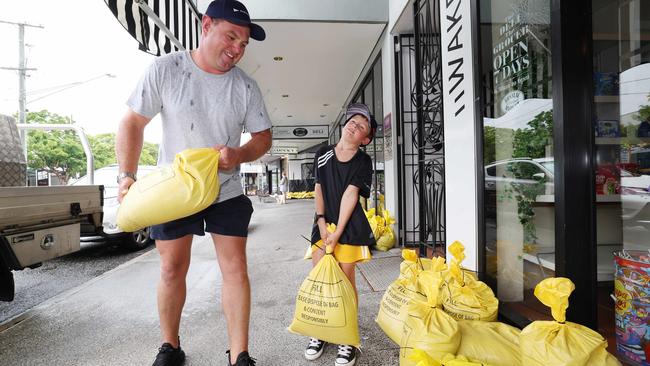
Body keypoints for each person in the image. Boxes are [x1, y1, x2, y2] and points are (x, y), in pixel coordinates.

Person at [115, 1, 271, 365]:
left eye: (244, 43)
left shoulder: (246, 86)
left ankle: (240, 354)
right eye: (231, 36)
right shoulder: (166, 69)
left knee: (235, 269)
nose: (237, 49)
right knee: (171, 268)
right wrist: (126, 176)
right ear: (206, 25)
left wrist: (239, 154)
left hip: (225, 188)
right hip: (175, 191)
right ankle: (170, 345)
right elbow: (131, 123)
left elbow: (263, 138)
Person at [304, 103, 377, 366]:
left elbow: (350, 194)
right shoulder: (323, 153)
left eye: (361, 126)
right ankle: (320, 332)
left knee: (345, 282)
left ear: (365, 139)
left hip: (350, 226)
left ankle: (347, 337)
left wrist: (337, 233)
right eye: (352, 121)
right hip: (323, 225)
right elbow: (319, 188)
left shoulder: (363, 160)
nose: (354, 125)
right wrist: (322, 222)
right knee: (319, 278)